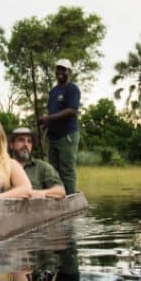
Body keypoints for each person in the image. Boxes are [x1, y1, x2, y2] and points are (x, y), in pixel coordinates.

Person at [37, 58, 81, 194]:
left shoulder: (72, 89)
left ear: (69, 72)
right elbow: (51, 113)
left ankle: (70, 197)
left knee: (67, 170)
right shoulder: (53, 91)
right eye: (58, 69)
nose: (60, 72)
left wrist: (48, 118)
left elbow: (72, 110)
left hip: (67, 136)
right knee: (52, 171)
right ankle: (56, 196)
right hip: (53, 137)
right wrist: (44, 125)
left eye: (63, 69)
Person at [9, 127, 65, 199]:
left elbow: (60, 191)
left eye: (29, 141)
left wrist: (32, 193)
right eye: (21, 140)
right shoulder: (2, 166)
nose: (26, 144)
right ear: (11, 145)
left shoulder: (42, 167)